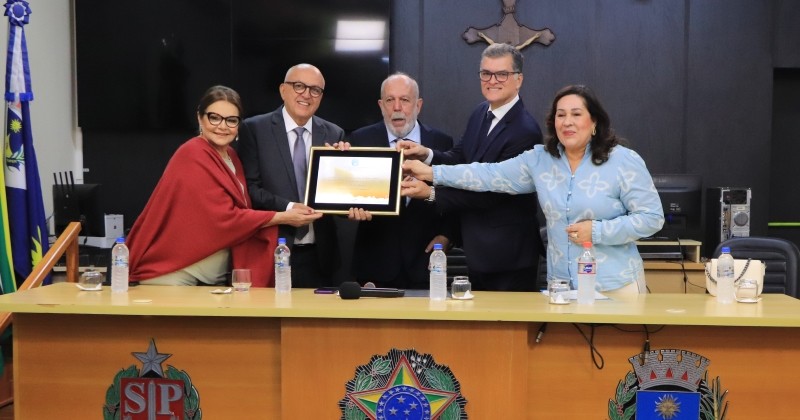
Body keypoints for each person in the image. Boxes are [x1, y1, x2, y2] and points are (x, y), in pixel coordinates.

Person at [403, 84, 665, 294]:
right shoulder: (540, 160)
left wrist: (596, 231)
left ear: (594, 121)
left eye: (576, 114)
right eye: (561, 115)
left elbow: (652, 218)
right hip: (561, 288)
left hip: (614, 286)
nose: (567, 122)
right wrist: (431, 172)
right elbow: (488, 174)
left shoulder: (622, 161)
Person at [128, 85, 321, 287]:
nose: (222, 126)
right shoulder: (192, 153)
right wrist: (283, 217)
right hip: (175, 274)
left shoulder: (232, 156)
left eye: (231, 120)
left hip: (209, 278)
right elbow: (224, 217)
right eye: (214, 118)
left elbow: (245, 206)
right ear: (200, 118)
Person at [398, 43, 544, 292]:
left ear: (518, 79)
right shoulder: (480, 112)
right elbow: (460, 158)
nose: (492, 81)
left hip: (509, 256)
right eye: (486, 73)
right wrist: (427, 155)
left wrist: (430, 193)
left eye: (501, 74)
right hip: (478, 250)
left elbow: (490, 194)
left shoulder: (525, 131)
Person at [237, 63, 345, 288]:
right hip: (272, 250)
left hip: (321, 256)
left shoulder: (334, 133)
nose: (306, 94)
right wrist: (288, 208)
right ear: (283, 90)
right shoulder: (255, 129)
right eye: (299, 86)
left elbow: (337, 196)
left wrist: (352, 204)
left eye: (315, 90)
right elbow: (250, 189)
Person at [347, 73, 454, 290]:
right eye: (390, 100)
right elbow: (346, 197)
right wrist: (349, 209)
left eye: (404, 100)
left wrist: (447, 236)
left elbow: (454, 196)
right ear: (381, 105)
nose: (397, 107)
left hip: (425, 264)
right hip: (375, 265)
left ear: (418, 105)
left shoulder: (441, 142)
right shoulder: (360, 140)